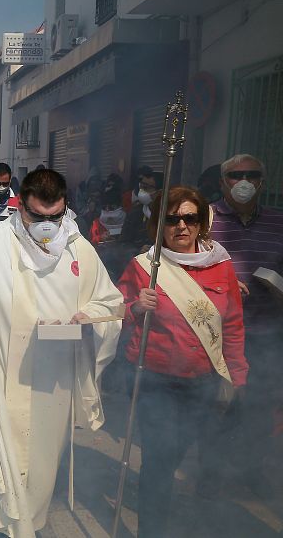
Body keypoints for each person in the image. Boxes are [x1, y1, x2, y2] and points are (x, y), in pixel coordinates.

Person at [0, 138, 123, 537]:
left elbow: (108, 303)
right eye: (37, 217)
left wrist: (87, 318)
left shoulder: (79, 249)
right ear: (21, 207)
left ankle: (29, 525)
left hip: (53, 383)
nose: (47, 226)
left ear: (65, 206)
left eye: (55, 215)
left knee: (38, 470)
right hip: (6, 374)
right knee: (2, 469)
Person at [117, 186, 247, 538]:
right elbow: (113, 314)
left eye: (189, 218)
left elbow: (232, 325)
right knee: (159, 463)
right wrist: (135, 308)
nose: (181, 226)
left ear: (202, 223)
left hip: (203, 381)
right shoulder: (145, 267)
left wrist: (236, 377)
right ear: (159, 225)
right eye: (171, 219)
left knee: (187, 457)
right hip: (154, 380)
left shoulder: (221, 268)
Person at [209, 153, 283, 497]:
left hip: (266, 330)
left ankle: (251, 474)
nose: (244, 181)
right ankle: (209, 476)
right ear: (223, 181)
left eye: (252, 175)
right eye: (236, 174)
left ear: (262, 183)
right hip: (217, 332)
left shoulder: (278, 222)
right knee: (218, 405)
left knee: (260, 406)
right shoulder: (203, 218)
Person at [120, 167, 163, 253]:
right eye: (141, 188)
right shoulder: (135, 213)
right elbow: (123, 243)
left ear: (160, 192)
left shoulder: (170, 216)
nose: (142, 192)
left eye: (146, 188)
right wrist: (137, 251)